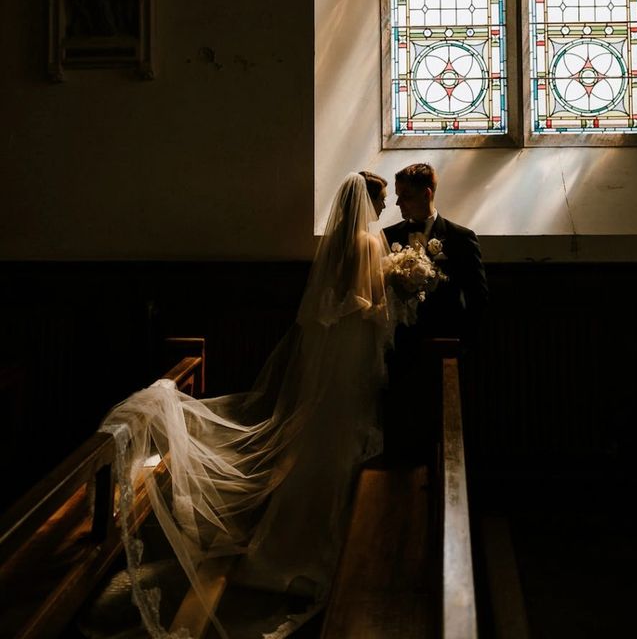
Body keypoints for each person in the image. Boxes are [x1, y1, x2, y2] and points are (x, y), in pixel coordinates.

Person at [93, 171, 393, 639]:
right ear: (370, 201)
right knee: (342, 432)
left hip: (328, 352)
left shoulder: (334, 243)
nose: (387, 203)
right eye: (384, 197)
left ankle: (289, 524)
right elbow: (371, 305)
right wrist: (404, 296)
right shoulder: (370, 245)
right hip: (352, 351)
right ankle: (326, 530)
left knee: (320, 429)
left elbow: (325, 303)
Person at [382, 162, 488, 463]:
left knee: (443, 431)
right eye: (398, 195)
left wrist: (463, 346)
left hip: (445, 351)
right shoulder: (388, 237)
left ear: (427, 193)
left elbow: (478, 298)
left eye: (406, 195)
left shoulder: (460, 238)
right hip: (400, 351)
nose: (398, 203)